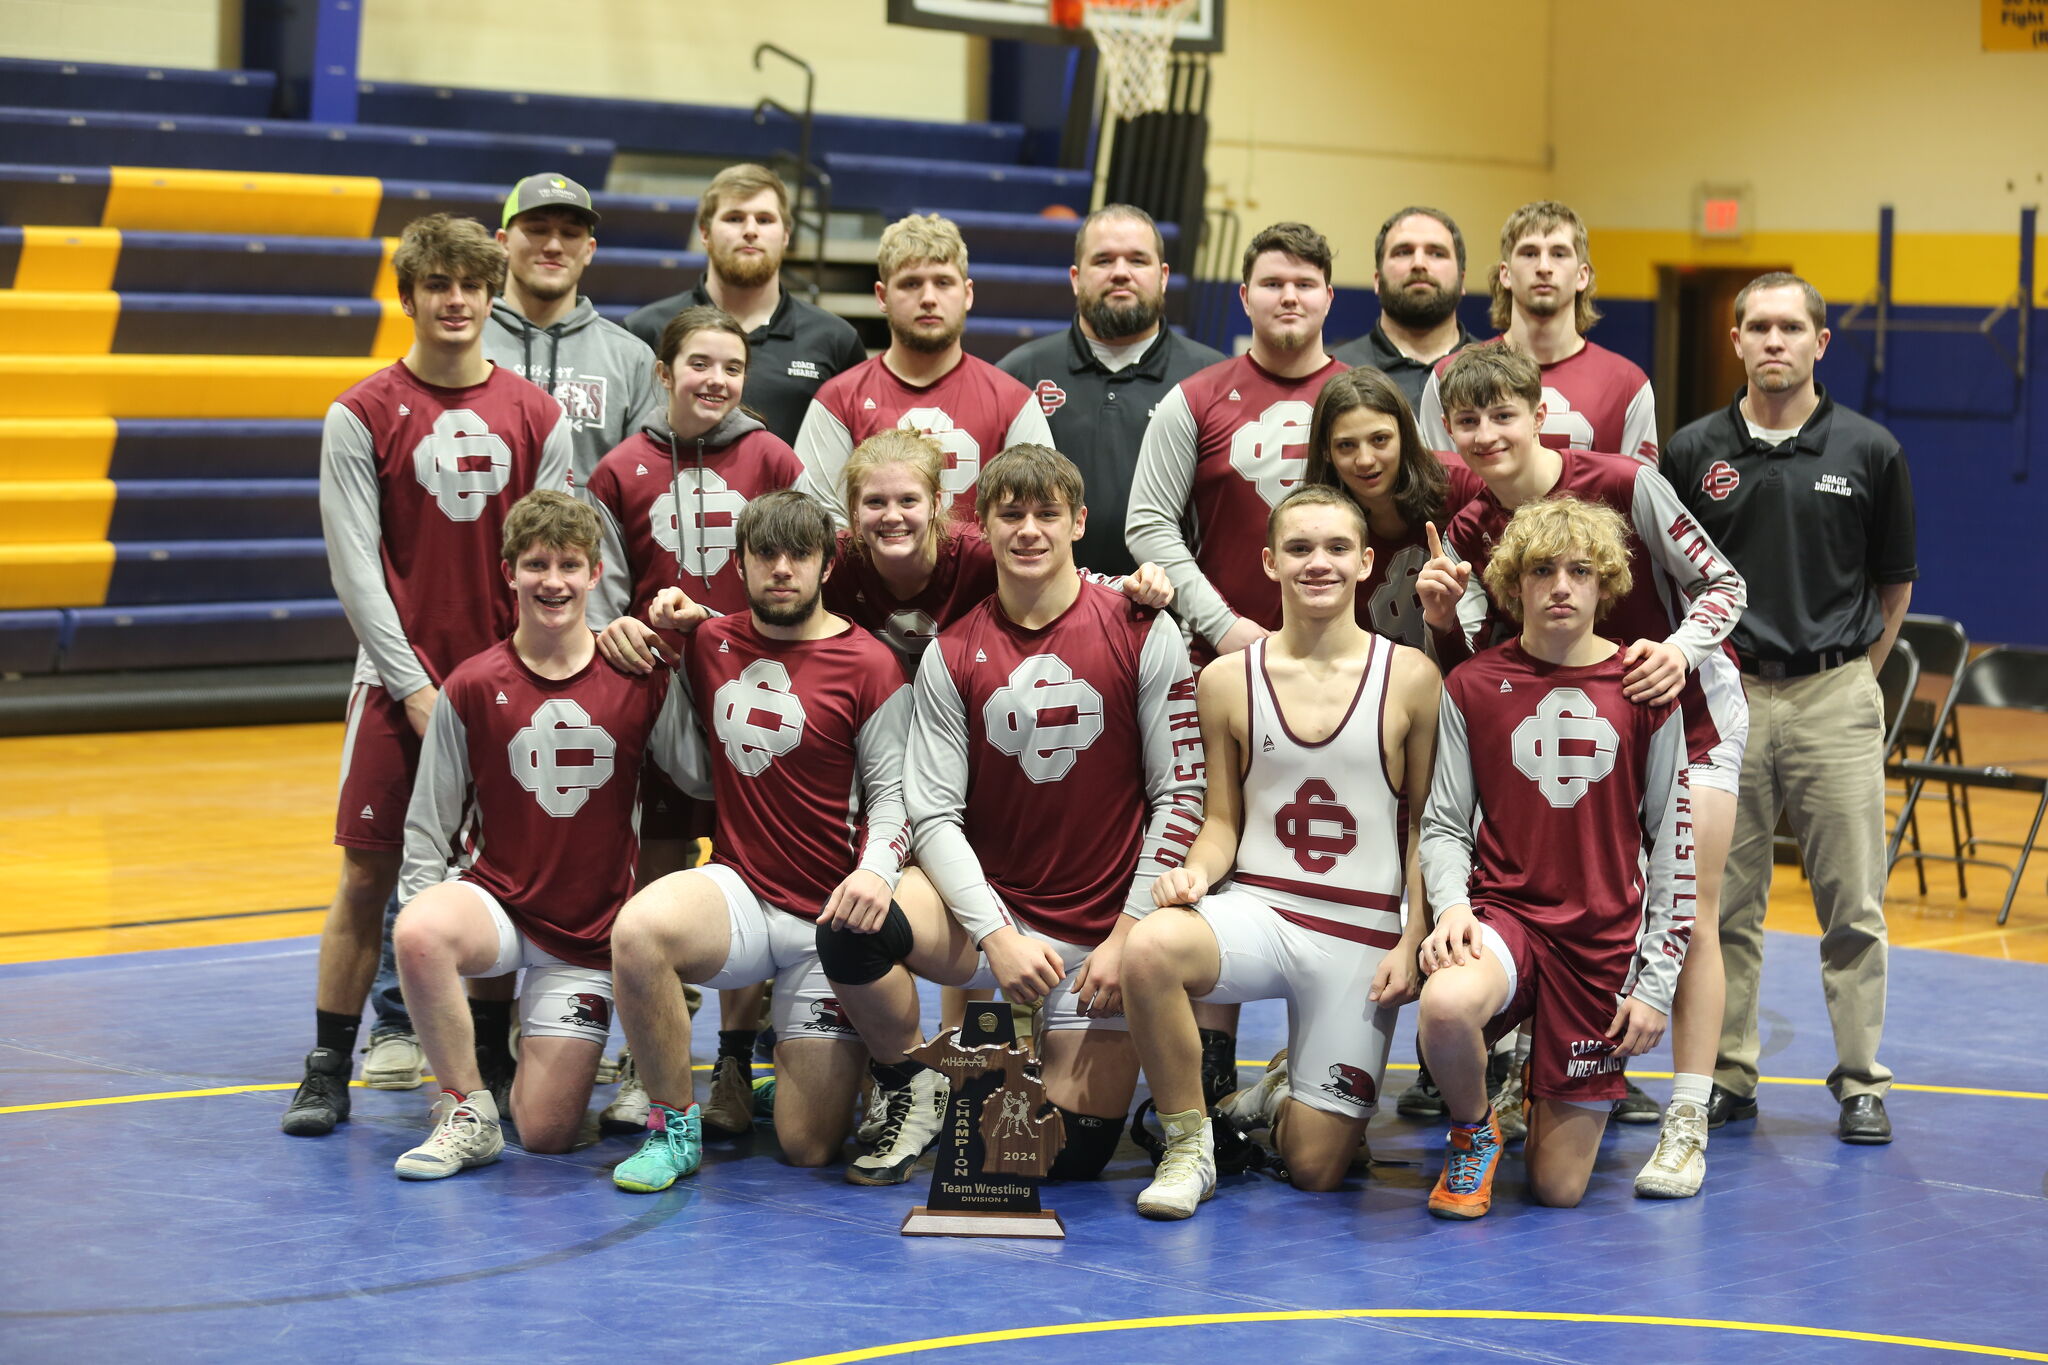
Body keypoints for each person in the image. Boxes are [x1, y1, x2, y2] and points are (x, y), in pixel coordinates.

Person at [812, 443, 1206, 1187]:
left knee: (1060, 1158)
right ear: (981, 527)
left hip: (1103, 931)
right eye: (1011, 514)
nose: (1029, 530)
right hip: (989, 914)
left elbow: (1181, 796)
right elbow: (932, 815)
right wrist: (996, 936)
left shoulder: (1143, 627)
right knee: (851, 928)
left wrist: (1128, 936)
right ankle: (911, 1076)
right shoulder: (951, 651)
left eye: (1047, 514)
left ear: (1078, 523)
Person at [1417, 343, 1745, 1195]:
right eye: (1468, 420)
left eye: (1503, 415)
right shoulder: (1471, 527)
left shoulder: (1625, 482)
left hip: (1677, 702)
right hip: (1571, 716)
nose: (1487, 434)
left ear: (1540, 414)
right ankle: (1521, 1070)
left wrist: (1675, 651)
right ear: (1447, 429)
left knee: (1694, 902)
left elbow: (1725, 585)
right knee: (1547, 863)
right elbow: (1494, 672)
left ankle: (1685, 1111)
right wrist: (1449, 623)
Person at [284, 214, 571, 1137]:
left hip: (506, 686)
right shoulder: (360, 412)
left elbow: (559, 555)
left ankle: (488, 1052)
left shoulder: (536, 413)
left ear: (493, 297)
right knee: (367, 873)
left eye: (470, 286)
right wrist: (411, 684)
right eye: (437, 285)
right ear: (407, 297)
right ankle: (330, 1058)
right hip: (397, 683)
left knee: (498, 877)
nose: (455, 301)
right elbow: (354, 567)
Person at [1122, 485, 1440, 1219]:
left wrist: (1413, 935)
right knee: (1149, 949)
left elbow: (1427, 826)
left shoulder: (1413, 677)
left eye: (1336, 548)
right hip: (1263, 909)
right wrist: (1196, 873)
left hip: (1362, 934)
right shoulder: (1227, 678)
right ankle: (1187, 1141)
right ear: (1269, 561)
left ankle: (1275, 1092)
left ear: (1367, 561)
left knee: (1316, 1172)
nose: (1317, 563)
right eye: (1299, 548)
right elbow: (1222, 821)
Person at [1660, 272, 1914, 1146]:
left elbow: (1893, 583)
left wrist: (1851, 679)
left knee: (1854, 903)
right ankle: (1728, 1071)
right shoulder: (1694, 450)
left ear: (1820, 342)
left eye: (1790, 327)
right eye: (1758, 327)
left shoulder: (1870, 449)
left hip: (1835, 694)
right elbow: (1675, 580)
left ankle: (1860, 1081)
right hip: (1725, 698)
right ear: (1735, 341)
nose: (1774, 341)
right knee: (1726, 903)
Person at [606, 491, 913, 1191]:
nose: (782, 569)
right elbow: (690, 639)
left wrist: (874, 874)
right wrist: (635, 630)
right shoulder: (711, 643)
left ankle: (832, 1071)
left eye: (798, 554)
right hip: (741, 890)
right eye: (764, 554)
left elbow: (895, 797)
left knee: (807, 1147)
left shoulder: (870, 664)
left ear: (826, 563)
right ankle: (672, 1123)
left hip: (829, 923)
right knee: (638, 930)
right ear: (738, 562)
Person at [387, 491, 691, 1178]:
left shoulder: (639, 674)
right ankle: (465, 1107)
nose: (552, 580)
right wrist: (421, 941)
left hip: (585, 931)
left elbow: (697, 774)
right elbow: (429, 824)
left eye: (569, 564)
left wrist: (681, 648)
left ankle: (540, 1070)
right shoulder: (470, 684)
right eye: (535, 564)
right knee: (417, 932)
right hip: (496, 903)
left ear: (595, 573)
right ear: (508, 573)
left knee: (548, 1133)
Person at [1416, 495, 1696, 1219]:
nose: (1562, 586)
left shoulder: (1646, 687)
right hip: (1507, 918)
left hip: (1601, 942)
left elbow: (1674, 846)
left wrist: (1656, 983)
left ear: (1606, 583)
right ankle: (1475, 1127)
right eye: (1542, 570)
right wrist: (1450, 906)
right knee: (1445, 1005)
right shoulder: (1473, 685)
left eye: (1580, 570)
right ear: (1514, 585)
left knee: (1557, 1190)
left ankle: (1538, 1081)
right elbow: (1444, 822)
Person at [583, 304, 804, 1137]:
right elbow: (605, 604)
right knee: (662, 874)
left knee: (758, 869)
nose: (716, 381)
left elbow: (809, 566)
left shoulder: (773, 456)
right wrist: (631, 622)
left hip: (762, 696)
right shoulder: (619, 470)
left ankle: (739, 1067)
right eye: (699, 364)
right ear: (663, 371)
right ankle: (651, 1062)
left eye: (732, 367)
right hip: (664, 699)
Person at [1126, 221, 1350, 660]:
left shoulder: (1370, 402)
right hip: (1221, 656)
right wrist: (1220, 623)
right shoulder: (1193, 399)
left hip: (1347, 654)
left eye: (1305, 283)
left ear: (1328, 298)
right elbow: (1148, 523)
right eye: (1272, 283)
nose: (1289, 296)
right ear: (1245, 298)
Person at [995, 204, 1225, 577]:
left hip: (1176, 612)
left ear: (1163, 276)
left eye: (1138, 260)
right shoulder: (1018, 375)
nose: (1121, 273)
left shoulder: (1213, 378)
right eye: (1103, 261)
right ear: (1075, 277)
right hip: (1045, 608)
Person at [793, 212, 1054, 524]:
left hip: (983, 575)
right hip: (868, 574)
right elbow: (819, 525)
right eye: (911, 284)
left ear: (967, 293)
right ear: (882, 295)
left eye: (943, 282)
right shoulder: (838, 401)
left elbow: (1037, 519)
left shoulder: (1013, 402)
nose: (929, 298)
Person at [623, 163, 866, 444]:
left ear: (786, 235)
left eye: (764, 220)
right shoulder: (646, 330)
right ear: (704, 233)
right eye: (734, 218)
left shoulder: (836, 340)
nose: (750, 231)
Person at [1415, 201, 1657, 467]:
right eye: (1529, 253)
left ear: (1582, 276)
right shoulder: (1448, 377)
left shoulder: (1627, 385)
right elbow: (1442, 496)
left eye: (1559, 254)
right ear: (1505, 274)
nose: (1544, 267)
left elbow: (1638, 501)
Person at [487, 172, 665, 491]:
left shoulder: (631, 358)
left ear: (589, 250)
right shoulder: (465, 343)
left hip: (589, 541)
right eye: (537, 230)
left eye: (570, 234)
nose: (554, 246)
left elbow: (647, 484)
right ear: (502, 242)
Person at [1329, 207, 1478, 409]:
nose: (1419, 264)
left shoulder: (1499, 371)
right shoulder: (1336, 372)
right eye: (1403, 252)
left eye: (1436, 253)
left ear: (1462, 281)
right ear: (1377, 280)